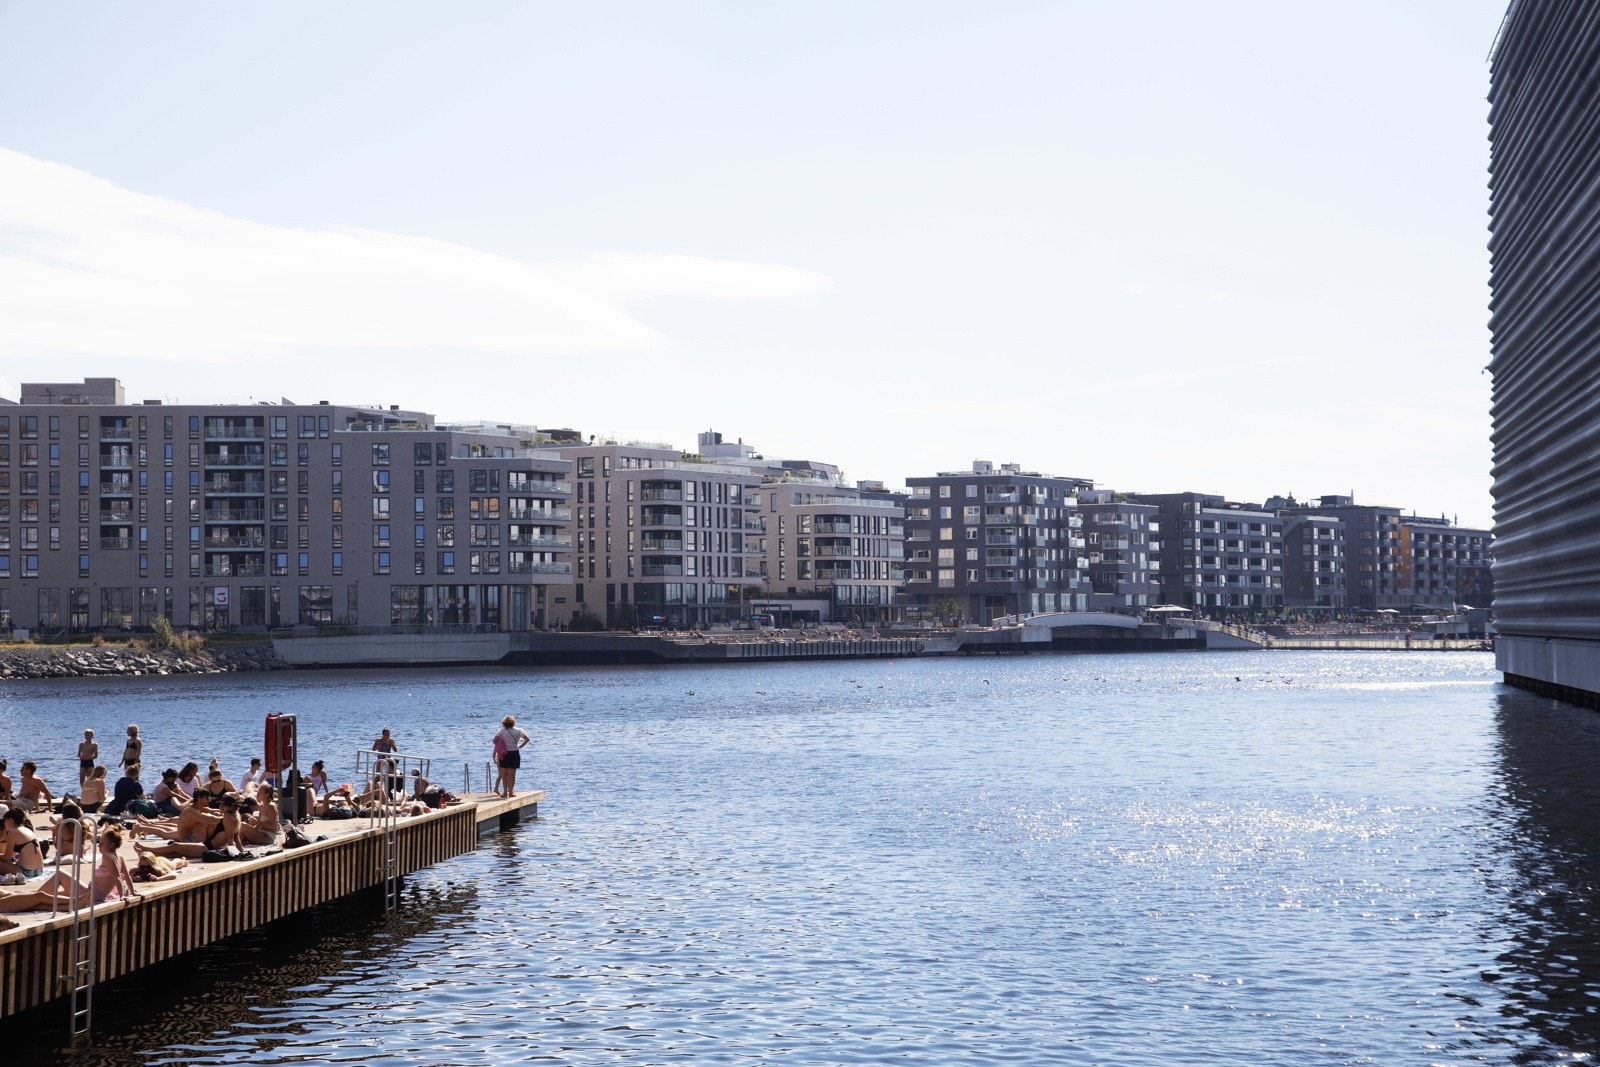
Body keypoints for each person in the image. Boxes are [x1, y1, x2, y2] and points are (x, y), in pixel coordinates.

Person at [0, 807, 46, 879]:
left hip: (27, 872)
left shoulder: (12, 833)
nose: (4, 823)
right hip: (39, 870)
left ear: (11, 820)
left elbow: (6, 857)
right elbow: (12, 855)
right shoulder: (26, 830)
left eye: (5, 821)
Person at [493, 716, 531, 798]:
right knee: (512, 774)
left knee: (504, 773)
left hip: (505, 753)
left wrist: (501, 744)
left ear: (504, 723)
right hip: (514, 753)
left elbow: (494, 741)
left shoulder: (501, 731)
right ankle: (510, 792)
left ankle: (505, 793)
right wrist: (519, 746)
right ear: (513, 722)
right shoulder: (519, 730)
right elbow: (527, 739)